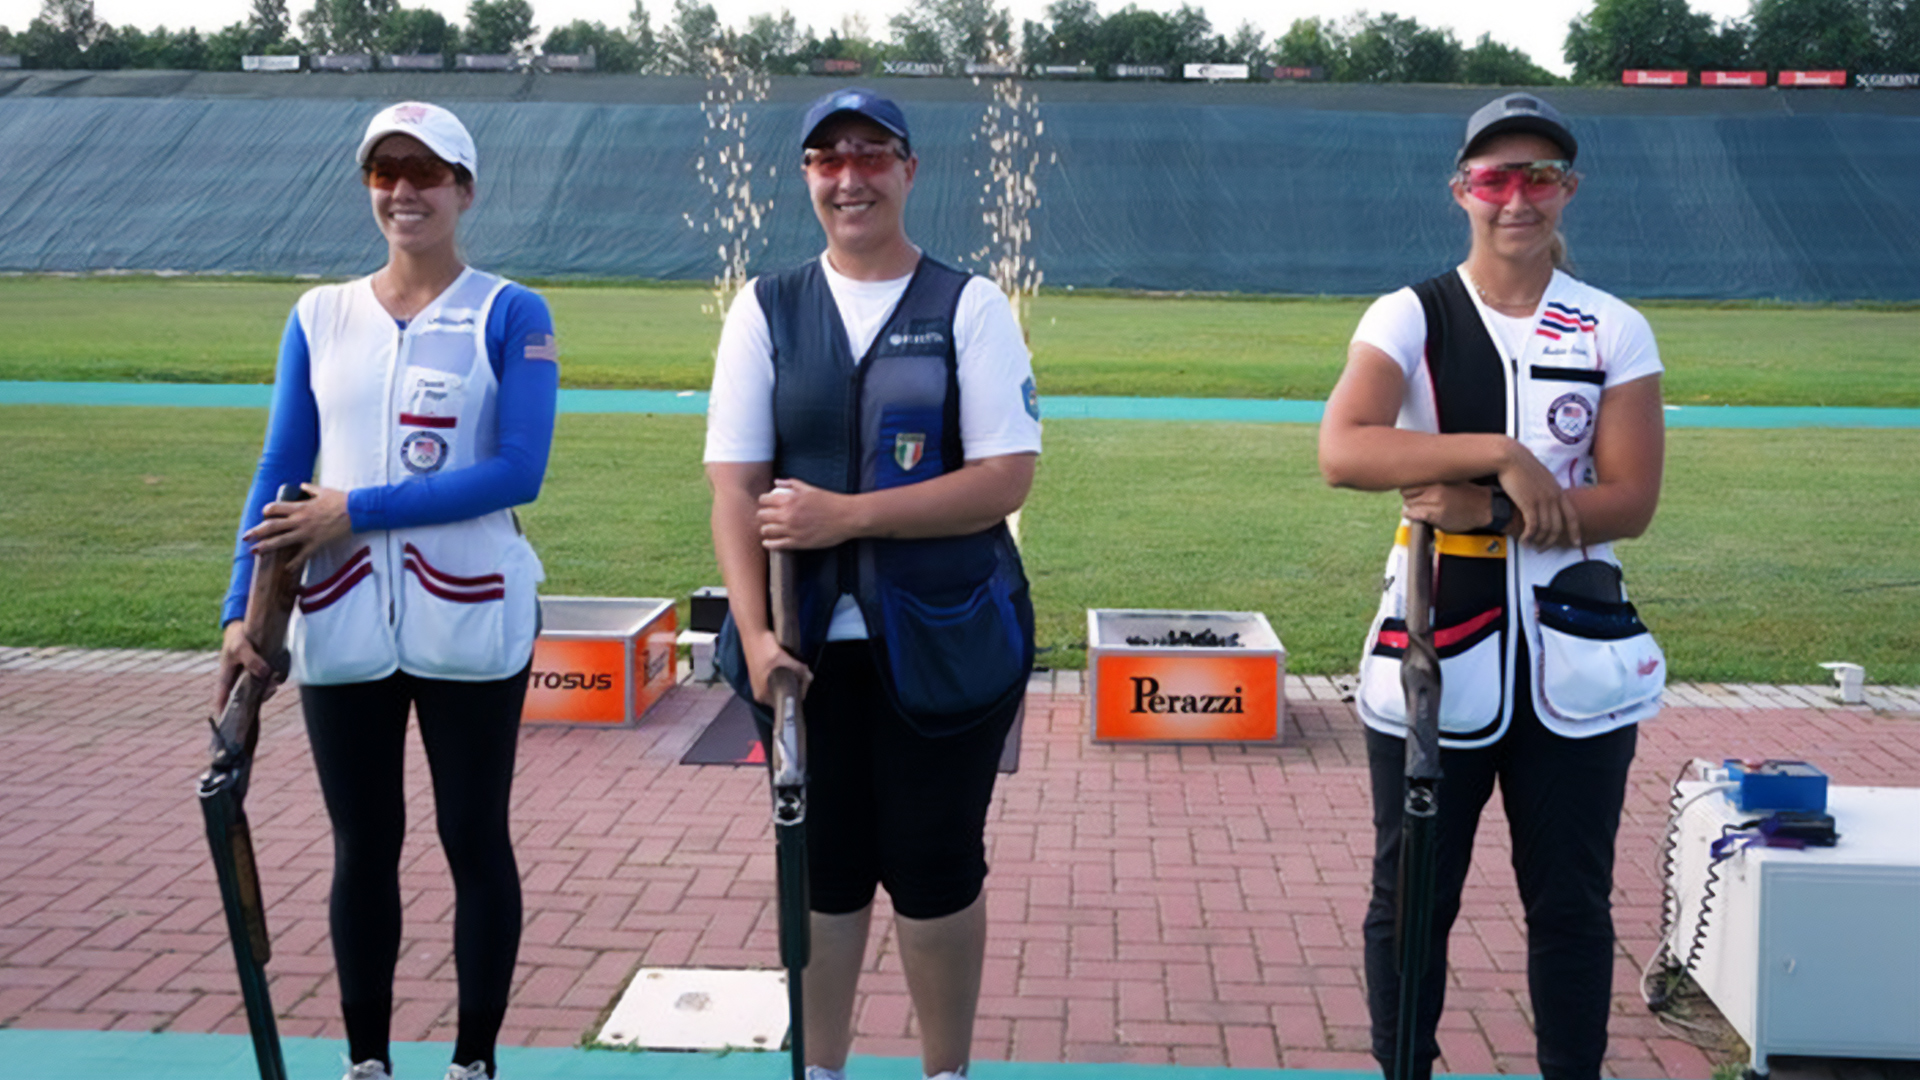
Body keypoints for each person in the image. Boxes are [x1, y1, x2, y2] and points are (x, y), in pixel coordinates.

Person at [1317, 93, 1667, 1080]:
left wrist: (1495, 510)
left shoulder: (1613, 328)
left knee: (1571, 903)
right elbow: (1345, 450)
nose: (1518, 198)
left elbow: (1631, 500)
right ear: (1461, 190)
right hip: (1437, 653)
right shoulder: (1409, 314)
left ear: (1569, 190)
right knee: (1413, 899)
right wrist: (1506, 455)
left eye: (1540, 178)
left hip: (1577, 663)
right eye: (1496, 178)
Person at [215, 101, 559, 1080]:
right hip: (340, 619)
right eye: (385, 172)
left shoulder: (511, 310)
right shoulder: (319, 314)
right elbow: (281, 464)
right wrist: (242, 609)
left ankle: (473, 1061)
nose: (403, 190)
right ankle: (366, 1060)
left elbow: (517, 471)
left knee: (473, 839)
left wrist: (354, 510)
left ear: (464, 189)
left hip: (471, 619)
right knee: (363, 845)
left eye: (425, 172)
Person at [705, 88, 1042, 1080]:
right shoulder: (767, 306)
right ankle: (819, 1067)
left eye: (871, 156)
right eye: (827, 159)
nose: (849, 178)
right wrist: (760, 639)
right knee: (825, 872)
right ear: (810, 176)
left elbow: (1001, 481)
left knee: (937, 867)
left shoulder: (968, 305)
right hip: (803, 652)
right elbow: (735, 486)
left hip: (946, 642)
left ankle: (946, 1071)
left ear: (907, 171)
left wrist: (848, 517)